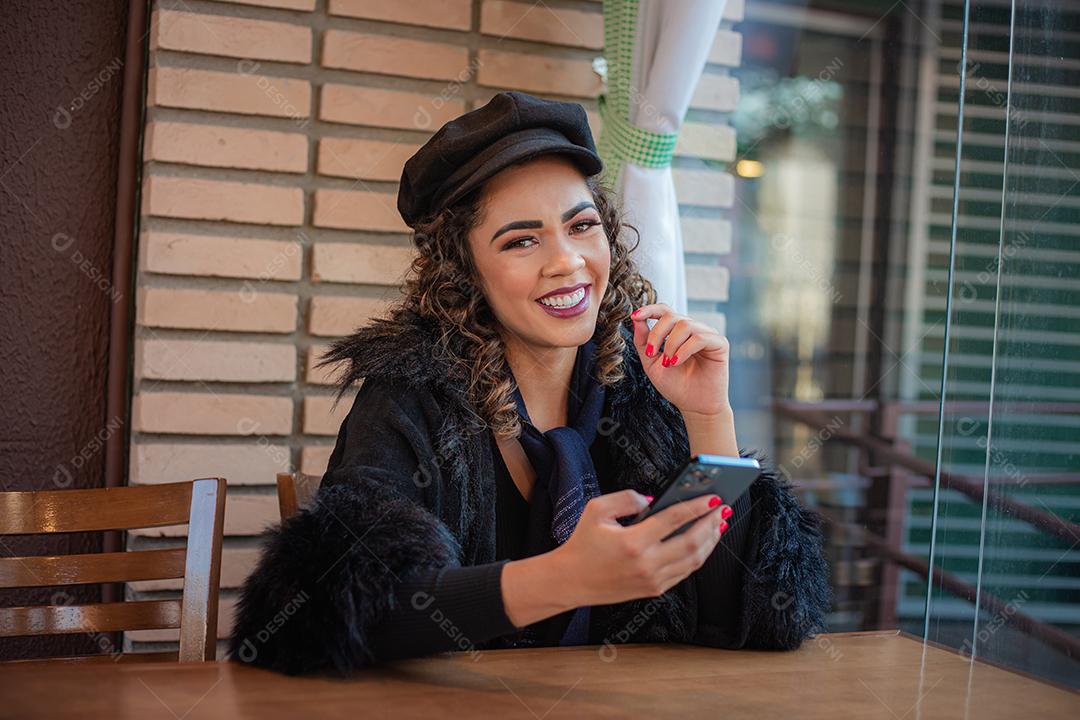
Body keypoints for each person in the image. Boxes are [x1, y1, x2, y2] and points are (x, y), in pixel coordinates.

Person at [228, 91, 831, 676]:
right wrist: (562, 579)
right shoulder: (412, 396)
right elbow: (315, 615)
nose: (567, 260)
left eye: (582, 225)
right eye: (521, 240)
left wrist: (709, 420)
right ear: (464, 270)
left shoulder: (641, 388)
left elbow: (746, 618)